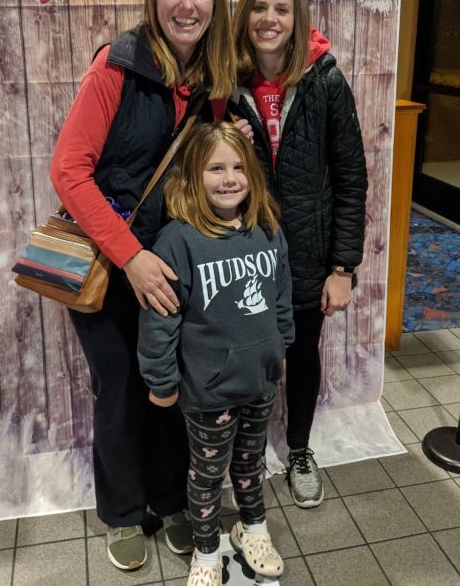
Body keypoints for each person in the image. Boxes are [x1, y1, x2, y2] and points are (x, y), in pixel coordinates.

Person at [50, 0, 248, 571]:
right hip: (115, 269)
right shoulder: (117, 65)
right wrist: (131, 256)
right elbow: (69, 172)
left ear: (215, 5)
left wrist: (230, 138)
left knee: (170, 390)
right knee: (121, 392)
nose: (187, 5)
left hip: (175, 269)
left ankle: (170, 500)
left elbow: (201, 169)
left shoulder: (214, 82)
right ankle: (123, 512)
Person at [231, 0, 368, 509]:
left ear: (297, 18)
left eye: (281, 10)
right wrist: (226, 134)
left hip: (310, 253)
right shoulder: (225, 82)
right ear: (246, 16)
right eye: (260, 8)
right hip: (247, 251)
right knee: (246, 353)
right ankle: (242, 453)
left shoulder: (326, 81)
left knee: (301, 354)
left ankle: (301, 450)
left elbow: (351, 177)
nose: (270, 20)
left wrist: (343, 267)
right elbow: (203, 162)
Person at [138, 122, 294, 586]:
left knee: (252, 462)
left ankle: (254, 529)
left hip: (261, 379)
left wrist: (281, 349)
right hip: (208, 390)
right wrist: (161, 380)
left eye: (238, 166)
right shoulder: (176, 241)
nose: (229, 178)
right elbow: (160, 320)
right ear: (191, 177)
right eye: (215, 168)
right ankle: (207, 553)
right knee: (207, 475)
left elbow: (280, 298)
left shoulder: (268, 230)